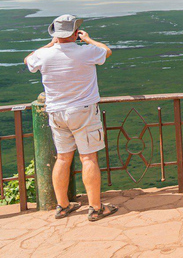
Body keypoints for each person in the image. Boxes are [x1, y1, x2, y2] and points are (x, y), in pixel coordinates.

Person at [24, 14, 117, 221]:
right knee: (88, 158)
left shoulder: (44, 54)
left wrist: (50, 44)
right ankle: (95, 207)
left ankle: (63, 205)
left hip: (56, 112)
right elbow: (107, 51)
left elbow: (27, 60)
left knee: (63, 158)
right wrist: (88, 39)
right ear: (75, 33)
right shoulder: (86, 52)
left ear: (56, 34)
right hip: (83, 111)